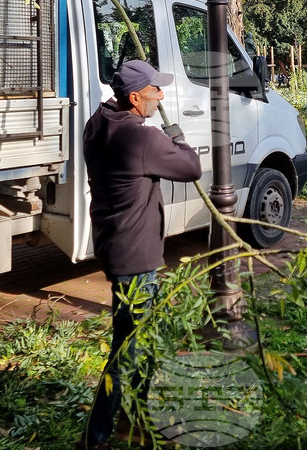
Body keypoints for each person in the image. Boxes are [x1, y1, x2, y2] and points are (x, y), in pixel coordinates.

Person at [78, 60, 202, 449]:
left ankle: (135, 421)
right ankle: (96, 436)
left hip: (115, 244)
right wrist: (178, 138)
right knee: (127, 349)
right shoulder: (141, 139)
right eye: (154, 90)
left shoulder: (98, 123)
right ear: (134, 98)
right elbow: (192, 168)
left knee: (139, 341)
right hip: (136, 255)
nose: (160, 96)